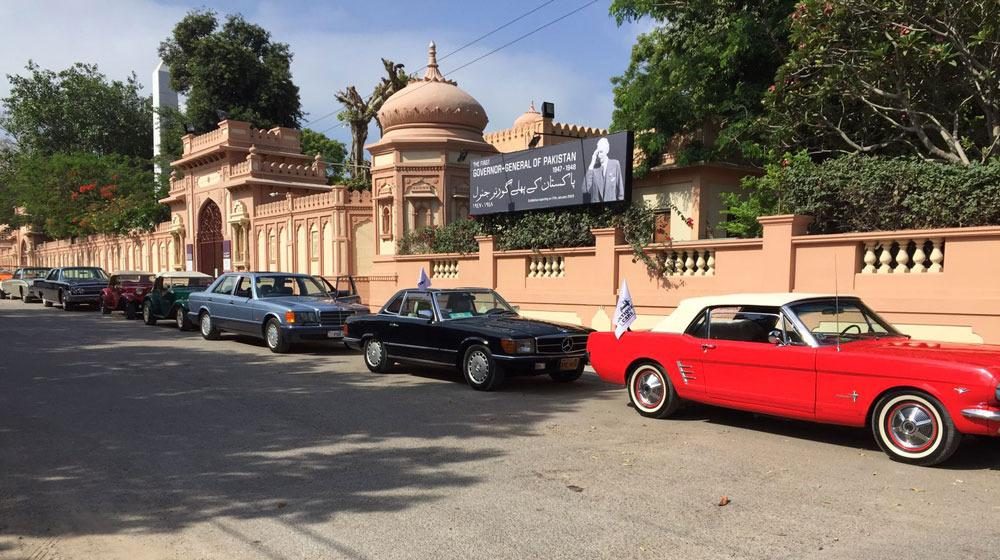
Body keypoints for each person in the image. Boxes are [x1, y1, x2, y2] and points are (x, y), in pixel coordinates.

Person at [583, 137, 624, 203]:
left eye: (601, 152)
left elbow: (620, 191)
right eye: (597, 152)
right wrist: (592, 163)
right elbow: (585, 189)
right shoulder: (593, 168)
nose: (599, 155)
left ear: (607, 150)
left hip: (611, 209)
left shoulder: (615, 164)